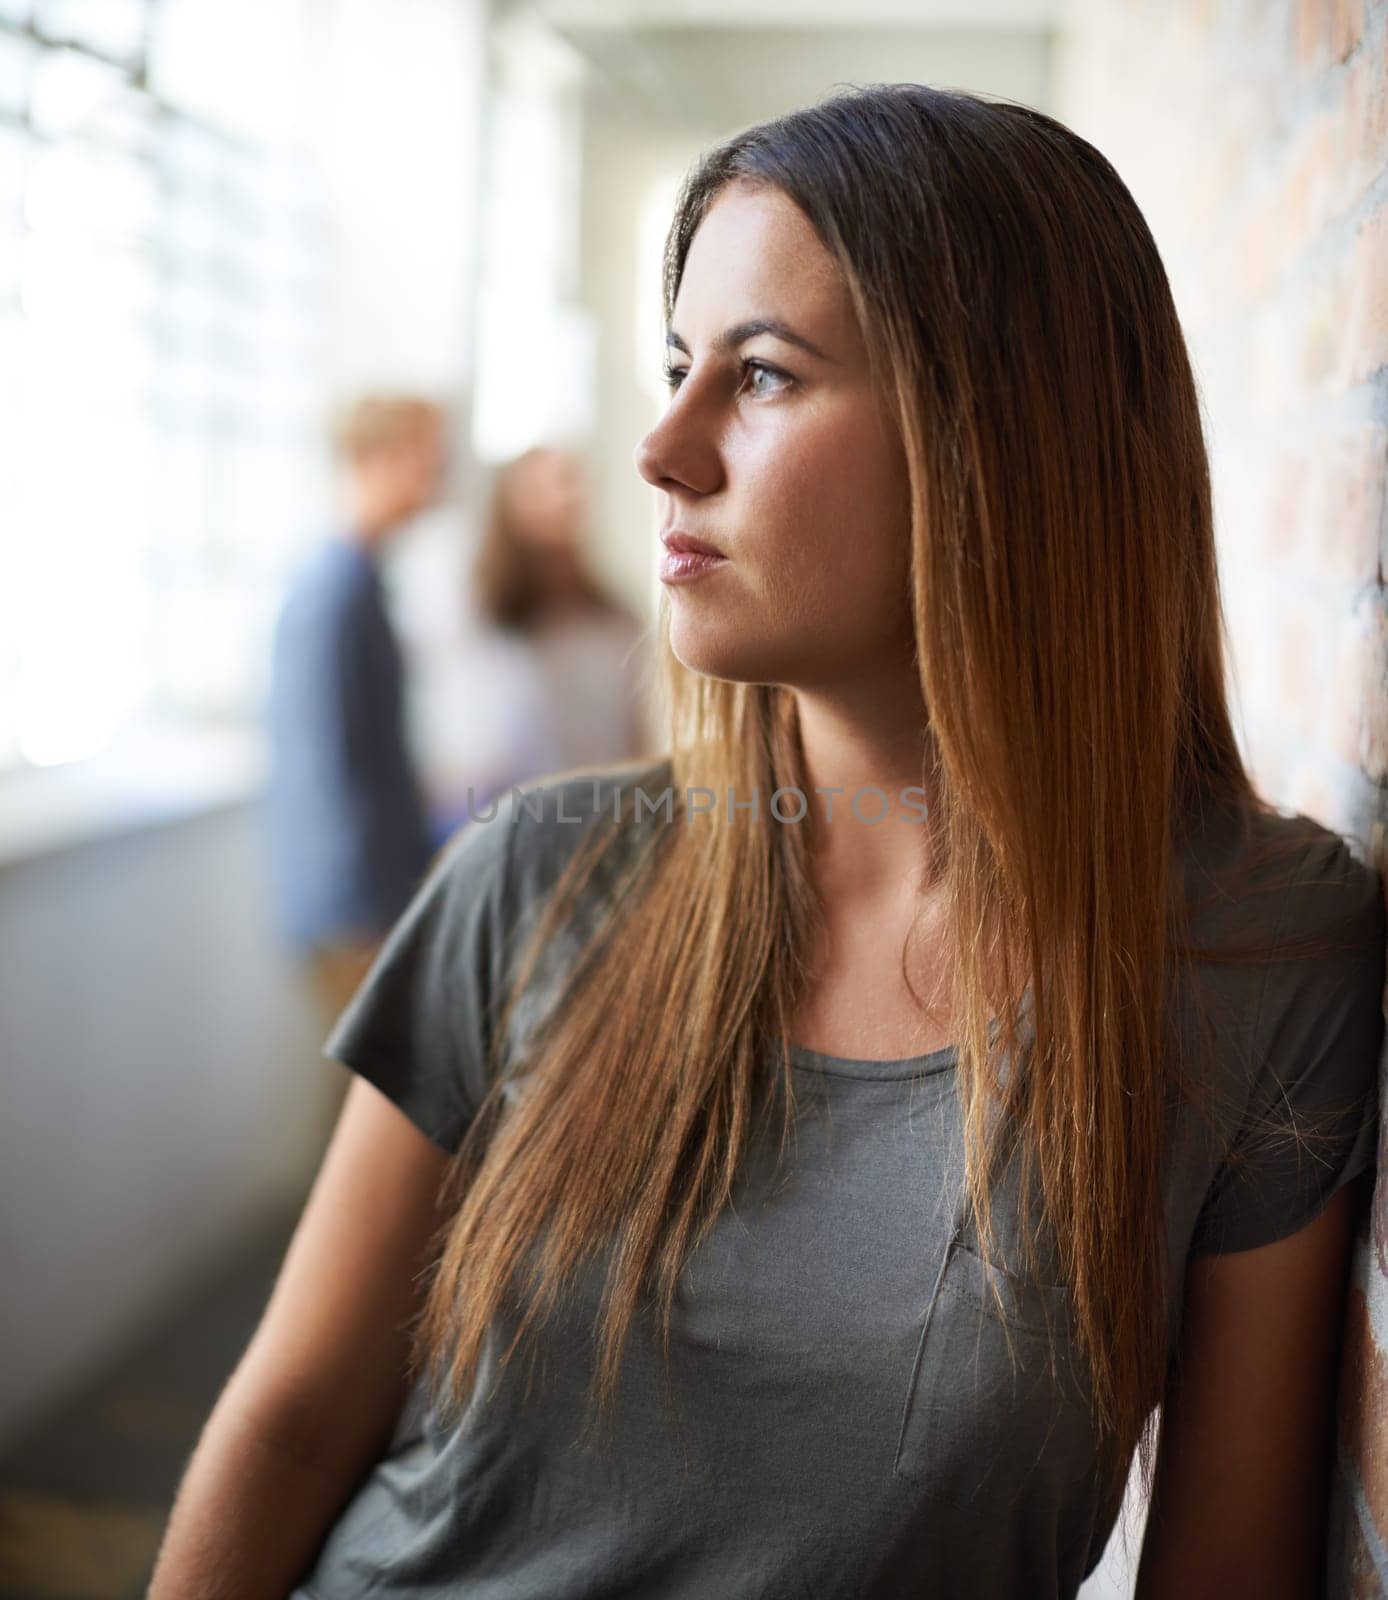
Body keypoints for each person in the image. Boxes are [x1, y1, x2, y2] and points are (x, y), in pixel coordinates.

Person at [150, 84, 1386, 1599]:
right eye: (678, 367)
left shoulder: (1257, 951)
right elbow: (287, 1426)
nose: (663, 449)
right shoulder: (535, 878)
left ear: (999, 431)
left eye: (765, 376)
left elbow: (1232, 1572)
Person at [262, 393, 447, 1021]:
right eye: (425, 454)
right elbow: (325, 767)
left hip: (374, 897)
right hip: (354, 914)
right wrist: (361, 919)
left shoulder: (362, 581)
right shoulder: (335, 592)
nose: (438, 472)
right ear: (378, 458)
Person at [431, 442, 655, 832]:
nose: (561, 498)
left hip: (594, 820)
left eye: (569, 484)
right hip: (496, 822)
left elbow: (634, 737)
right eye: (543, 487)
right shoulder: (479, 614)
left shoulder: (615, 617)